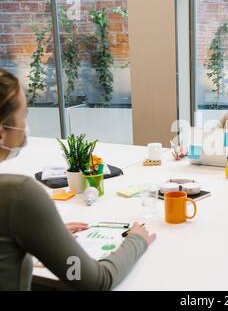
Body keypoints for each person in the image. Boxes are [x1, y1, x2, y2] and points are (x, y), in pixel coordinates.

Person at [0, 68, 156, 291]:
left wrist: (45, 231)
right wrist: (137, 240)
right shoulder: (17, 195)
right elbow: (95, 282)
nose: (25, 124)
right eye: (24, 114)